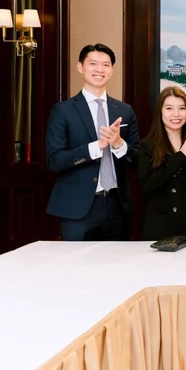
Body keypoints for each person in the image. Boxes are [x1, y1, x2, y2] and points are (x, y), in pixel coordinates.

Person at [45, 43, 140, 241]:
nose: (100, 70)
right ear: (80, 67)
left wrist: (118, 145)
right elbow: (54, 160)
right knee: (77, 269)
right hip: (78, 208)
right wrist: (95, 147)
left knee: (115, 268)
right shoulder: (63, 111)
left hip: (117, 206)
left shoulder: (124, 110)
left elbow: (137, 160)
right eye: (93, 64)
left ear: (112, 70)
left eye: (106, 65)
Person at [139, 86, 186, 241]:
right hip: (162, 226)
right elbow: (148, 185)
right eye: (169, 108)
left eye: (182, 108)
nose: (176, 114)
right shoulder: (147, 145)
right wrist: (181, 157)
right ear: (160, 112)